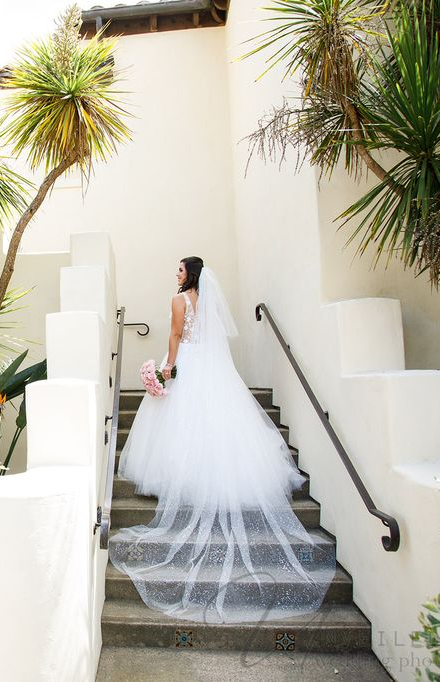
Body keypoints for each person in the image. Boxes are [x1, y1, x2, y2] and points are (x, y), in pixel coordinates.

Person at [109, 257, 335, 623]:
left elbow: (176, 335)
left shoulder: (178, 300)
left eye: (180, 270)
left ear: (191, 274)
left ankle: (182, 477)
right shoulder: (208, 301)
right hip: (212, 367)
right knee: (214, 421)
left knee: (183, 423)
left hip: (190, 364)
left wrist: (168, 366)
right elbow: (209, 336)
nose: (176, 274)